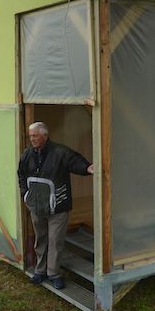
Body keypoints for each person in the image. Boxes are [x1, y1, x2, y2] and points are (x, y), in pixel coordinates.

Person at [17, 121, 94, 289]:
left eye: (35, 135)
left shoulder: (60, 152)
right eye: (30, 136)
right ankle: (40, 271)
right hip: (36, 207)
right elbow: (21, 176)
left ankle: (54, 274)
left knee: (55, 241)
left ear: (45, 135)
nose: (32, 139)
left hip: (58, 208)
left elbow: (75, 161)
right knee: (41, 239)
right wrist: (26, 195)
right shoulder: (27, 155)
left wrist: (87, 167)